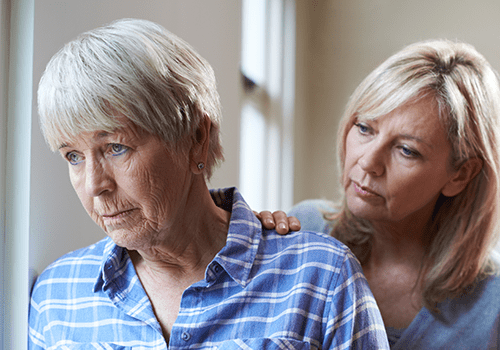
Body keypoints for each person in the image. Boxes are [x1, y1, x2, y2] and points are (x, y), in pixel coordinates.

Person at [28, 18, 389, 349]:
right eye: (73, 156)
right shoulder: (56, 295)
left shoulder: (320, 278)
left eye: (116, 147)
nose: (94, 185)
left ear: (196, 138)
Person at [259, 39, 500, 349]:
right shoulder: (302, 227)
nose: (368, 162)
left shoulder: (492, 306)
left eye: (407, 150)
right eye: (364, 128)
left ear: (460, 175)